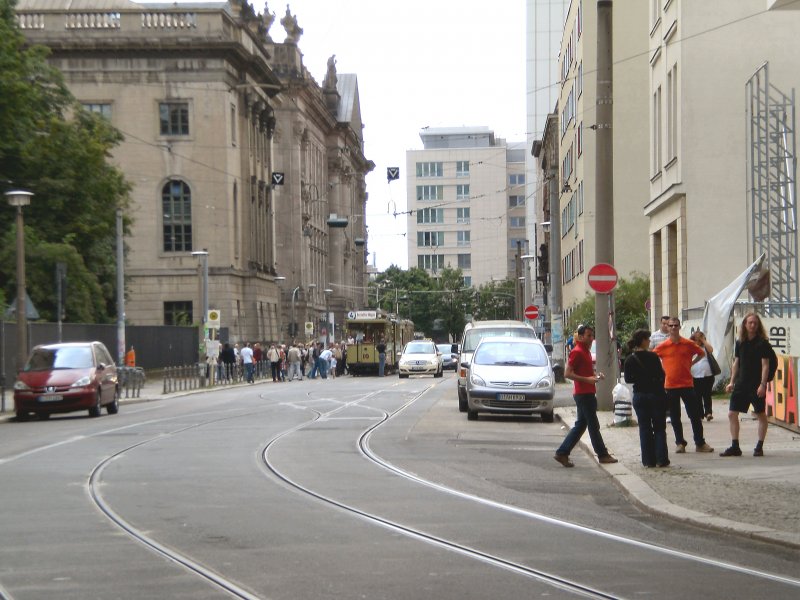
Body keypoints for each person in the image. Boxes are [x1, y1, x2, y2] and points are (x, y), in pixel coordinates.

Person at [554, 325, 618, 467]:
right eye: (588, 336)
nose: (591, 338)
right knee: (593, 425)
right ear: (581, 337)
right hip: (583, 394)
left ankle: (562, 453)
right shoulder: (577, 351)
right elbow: (567, 373)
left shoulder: (586, 351)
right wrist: (588, 379)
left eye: (592, 335)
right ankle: (602, 454)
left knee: (581, 425)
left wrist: (595, 376)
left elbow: (584, 373)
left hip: (587, 392)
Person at [653, 317, 714, 454]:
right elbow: (653, 357)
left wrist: (691, 363)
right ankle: (680, 442)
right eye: (671, 325)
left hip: (687, 384)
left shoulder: (688, 343)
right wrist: (661, 369)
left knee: (695, 415)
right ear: (667, 328)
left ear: (679, 327)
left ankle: (700, 443)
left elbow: (701, 353)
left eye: (676, 325)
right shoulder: (663, 346)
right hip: (670, 386)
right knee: (675, 417)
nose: (673, 328)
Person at [721, 312, 773, 457]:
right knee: (732, 413)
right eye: (750, 322)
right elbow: (736, 363)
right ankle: (735, 445)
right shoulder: (740, 342)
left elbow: (765, 365)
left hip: (756, 384)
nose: (752, 325)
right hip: (741, 384)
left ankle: (759, 446)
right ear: (744, 324)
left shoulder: (763, 343)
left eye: (755, 323)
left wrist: (763, 384)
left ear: (758, 325)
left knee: (761, 414)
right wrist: (731, 382)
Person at [624, 329, 669, 468]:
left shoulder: (630, 359)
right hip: (655, 394)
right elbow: (662, 375)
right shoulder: (653, 357)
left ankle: (648, 461)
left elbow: (628, 379)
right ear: (643, 340)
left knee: (644, 428)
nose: (650, 341)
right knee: (659, 428)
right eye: (648, 339)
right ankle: (661, 459)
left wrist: (640, 378)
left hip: (640, 395)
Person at [690, 330, 716, 421]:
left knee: (707, 394)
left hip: (707, 375)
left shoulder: (705, 347)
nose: (699, 340)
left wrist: (703, 340)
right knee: (697, 395)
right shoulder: (691, 347)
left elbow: (711, 350)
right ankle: (700, 414)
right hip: (695, 375)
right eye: (697, 338)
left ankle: (708, 413)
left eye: (700, 338)